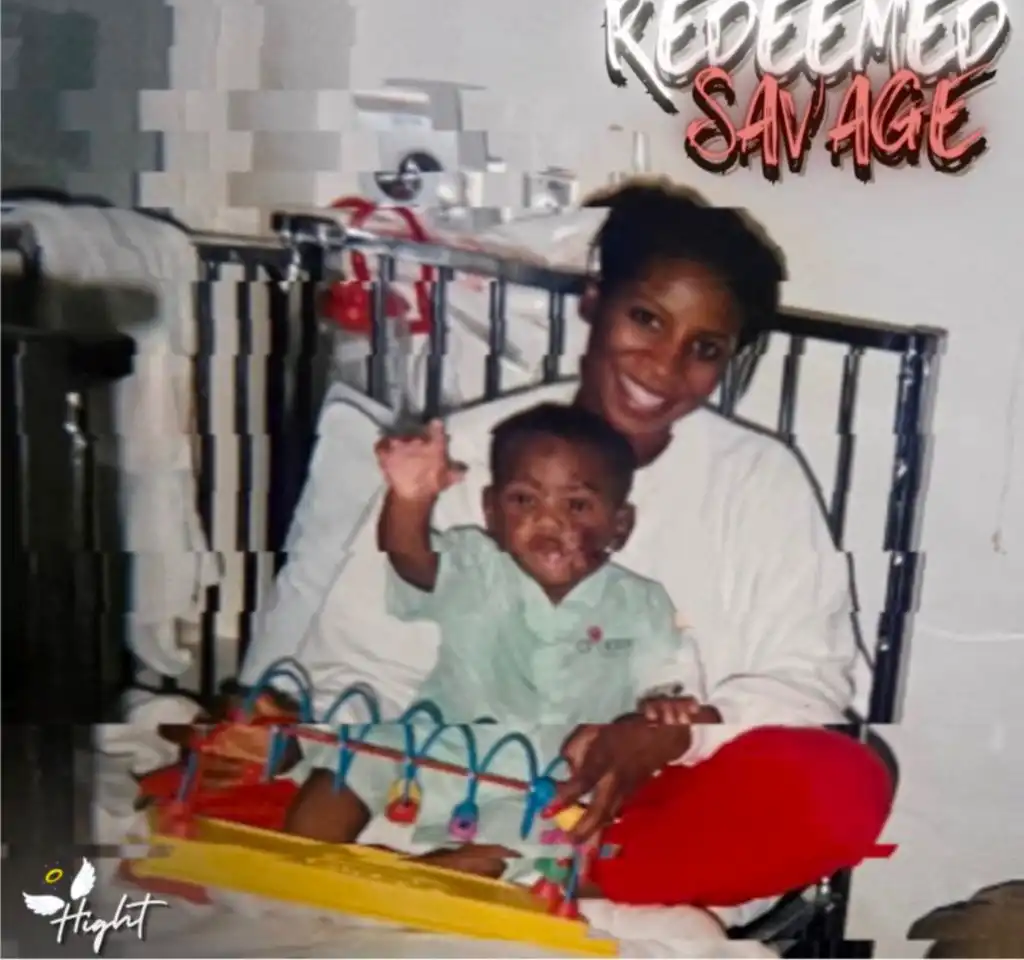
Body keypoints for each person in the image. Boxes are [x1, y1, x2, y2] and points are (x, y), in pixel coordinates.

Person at [150, 179, 894, 933]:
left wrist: (675, 733)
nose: (664, 368)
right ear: (594, 300)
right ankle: (399, 867)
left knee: (842, 787)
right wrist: (287, 729)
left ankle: (524, 870)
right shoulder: (469, 452)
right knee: (235, 780)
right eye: (645, 319)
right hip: (445, 770)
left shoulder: (759, 481)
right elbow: (362, 657)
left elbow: (810, 685)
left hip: (643, 805)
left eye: (705, 349)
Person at [283, 403, 707, 881]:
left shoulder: (642, 603)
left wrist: (662, 707)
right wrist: (410, 499)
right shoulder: (475, 564)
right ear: (490, 511)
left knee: (547, 837)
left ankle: (424, 882)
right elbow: (410, 558)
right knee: (358, 756)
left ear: (620, 525)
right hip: (441, 746)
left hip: (549, 777)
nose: (548, 521)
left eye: (577, 506)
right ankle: (297, 869)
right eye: (524, 500)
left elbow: (664, 681)